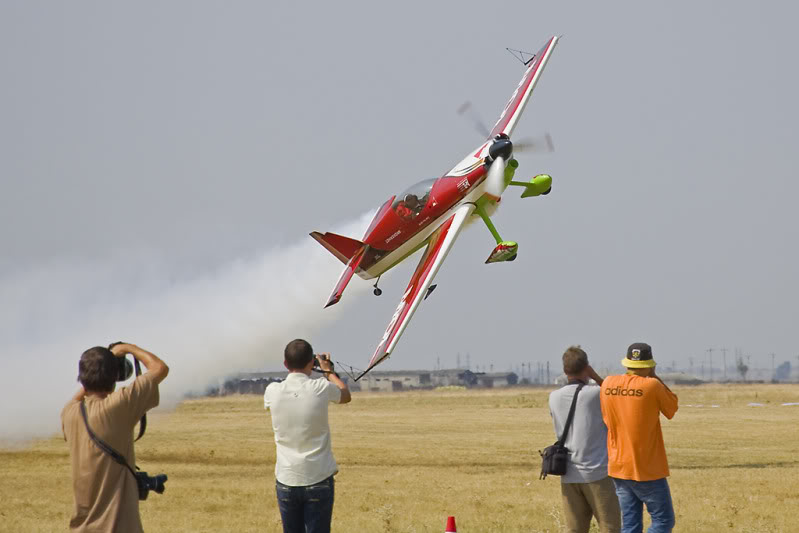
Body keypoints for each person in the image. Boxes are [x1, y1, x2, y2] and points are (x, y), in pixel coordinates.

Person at [61, 343, 169, 532]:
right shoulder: (118, 406)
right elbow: (159, 368)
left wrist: (97, 368)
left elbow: (77, 398)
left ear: (82, 379)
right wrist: (126, 348)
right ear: (114, 379)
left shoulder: (69, 413)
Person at [264, 339, 351, 533]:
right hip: (318, 476)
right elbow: (345, 394)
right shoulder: (320, 387)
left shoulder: (272, 391)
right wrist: (328, 371)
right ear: (311, 362)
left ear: (285, 363)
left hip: (287, 478)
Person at [600, 343, 679, 533]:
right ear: (650, 364)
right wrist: (655, 377)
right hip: (646, 467)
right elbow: (672, 408)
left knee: (630, 525)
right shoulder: (652, 385)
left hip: (618, 465)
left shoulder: (608, 383)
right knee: (663, 521)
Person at [548, 346, 621, 533]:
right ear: (586, 367)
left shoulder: (553, 397)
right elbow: (613, 395)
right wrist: (594, 376)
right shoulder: (595, 393)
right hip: (597, 472)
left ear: (565, 370)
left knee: (575, 529)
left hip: (568, 473)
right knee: (610, 527)